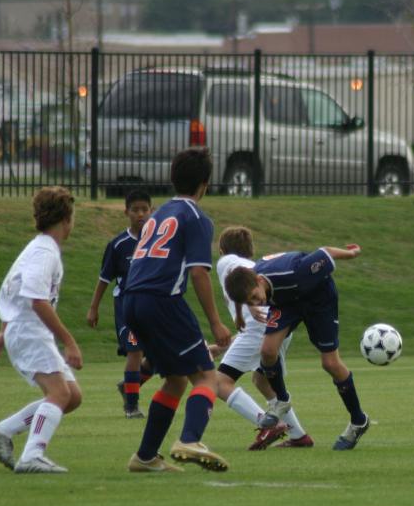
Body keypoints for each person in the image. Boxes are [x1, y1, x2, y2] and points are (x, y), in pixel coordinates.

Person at [123, 147, 232, 473]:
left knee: (175, 380)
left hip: (132, 300)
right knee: (207, 377)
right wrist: (216, 323)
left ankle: (145, 457)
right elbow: (199, 272)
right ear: (205, 184)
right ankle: (190, 439)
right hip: (162, 301)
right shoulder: (196, 217)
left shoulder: (157, 214)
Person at [224, 243, 371, 450]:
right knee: (267, 351)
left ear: (259, 281)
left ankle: (358, 421)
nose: (258, 302)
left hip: (319, 300)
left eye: (256, 298)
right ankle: (281, 401)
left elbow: (325, 252)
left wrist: (352, 253)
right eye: (252, 301)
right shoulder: (251, 280)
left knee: (330, 363)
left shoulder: (295, 272)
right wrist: (241, 312)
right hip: (287, 304)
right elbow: (242, 289)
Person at [0, 186, 83, 474]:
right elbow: (37, 300)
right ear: (67, 219)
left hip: (24, 330)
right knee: (59, 394)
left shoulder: (39, 247)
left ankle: (2, 430)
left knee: (71, 396)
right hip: (29, 331)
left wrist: (3, 331)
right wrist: (69, 341)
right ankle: (31, 456)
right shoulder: (44, 253)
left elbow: (13, 288)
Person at [214, 226, 313, 450]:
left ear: (222, 250)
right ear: (251, 249)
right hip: (278, 324)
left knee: (219, 382)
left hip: (258, 329)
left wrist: (244, 309)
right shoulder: (256, 266)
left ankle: (267, 423)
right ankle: (298, 436)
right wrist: (241, 312)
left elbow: (236, 275)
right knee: (262, 380)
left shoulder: (225, 262)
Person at [86, 190, 155, 418]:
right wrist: (94, 307)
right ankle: (132, 406)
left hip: (152, 306)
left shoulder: (158, 242)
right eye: (135, 210)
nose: (140, 214)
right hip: (127, 307)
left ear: (151, 211)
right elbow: (104, 278)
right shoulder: (118, 245)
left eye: (145, 209)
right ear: (126, 212)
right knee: (134, 352)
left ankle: (128, 385)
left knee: (159, 355)